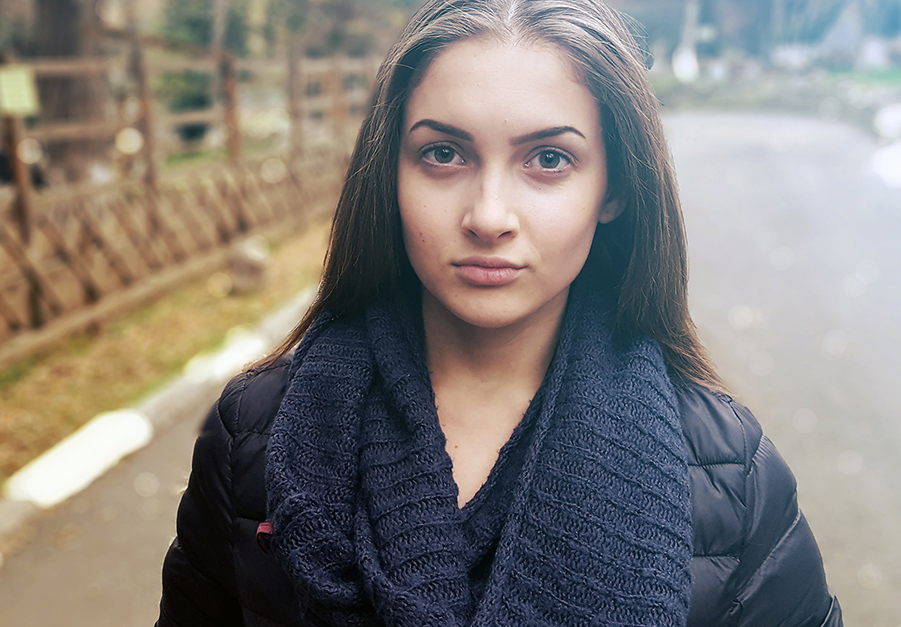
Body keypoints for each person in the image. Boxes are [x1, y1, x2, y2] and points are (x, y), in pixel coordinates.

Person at [158, 0, 842, 625]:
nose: (488, 215)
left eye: (548, 158)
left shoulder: (731, 474)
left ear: (615, 188)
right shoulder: (253, 434)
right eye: (443, 154)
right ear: (389, 172)